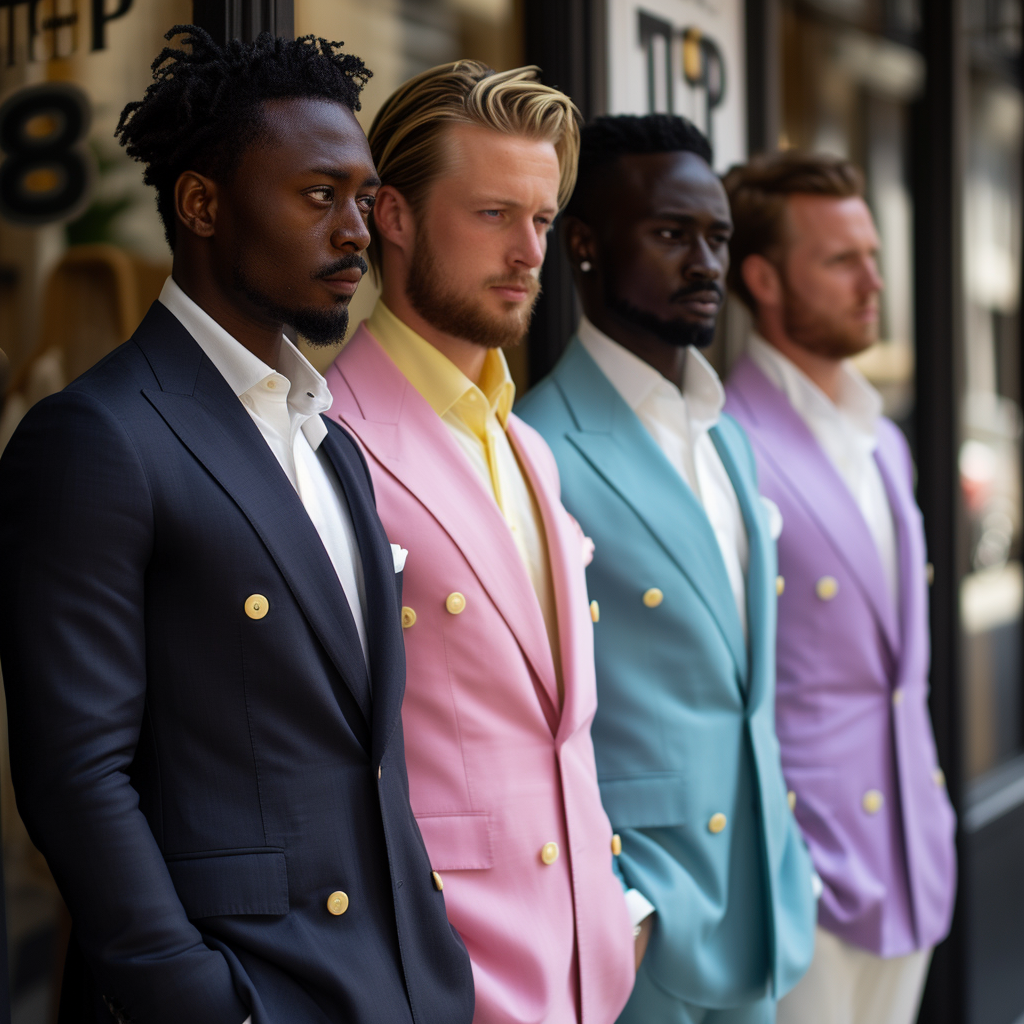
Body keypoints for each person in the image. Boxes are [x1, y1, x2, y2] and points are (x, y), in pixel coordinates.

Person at [0, 27, 474, 1024]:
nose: (358, 230)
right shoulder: (96, 436)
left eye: (362, 196)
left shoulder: (329, 441)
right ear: (202, 205)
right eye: (317, 195)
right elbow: (74, 777)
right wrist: (202, 1000)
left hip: (400, 988)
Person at [325, 61, 636, 1024]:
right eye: (494, 215)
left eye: (541, 221)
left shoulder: (529, 447)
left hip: (588, 971)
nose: (529, 251)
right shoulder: (330, 441)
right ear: (395, 218)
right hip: (443, 980)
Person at [516, 114, 817, 1024]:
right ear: (584, 245)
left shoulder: (727, 438)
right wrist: (627, 905)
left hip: (759, 913)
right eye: (670, 234)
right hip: (643, 936)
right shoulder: (541, 447)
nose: (706, 263)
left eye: (718, 237)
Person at [722, 151, 956, 1024]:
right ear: (764, 279)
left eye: (874, 255)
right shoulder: (729, 443)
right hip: (804, 876)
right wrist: (794, 861)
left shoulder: (883, 439)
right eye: (841, 259)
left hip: (912, 853)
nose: (874, 280)